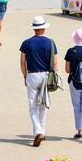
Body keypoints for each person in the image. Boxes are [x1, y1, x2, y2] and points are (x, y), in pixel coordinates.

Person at [19, 17, 57, 147]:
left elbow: (22, 62)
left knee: (33, 105)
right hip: (46, 75)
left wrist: (25, 76)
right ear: (44, 28)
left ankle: (38, 131)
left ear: (34, 29)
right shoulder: (50, 43)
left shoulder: (26, 43)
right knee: (44, 104)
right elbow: (55, 63)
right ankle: (42, 131)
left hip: (32, 74)